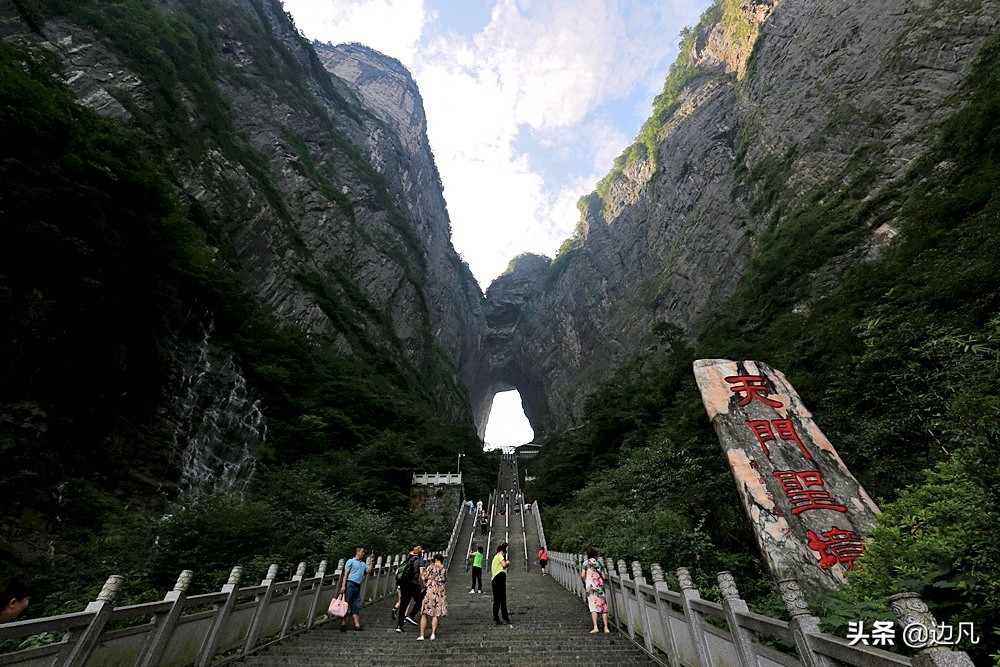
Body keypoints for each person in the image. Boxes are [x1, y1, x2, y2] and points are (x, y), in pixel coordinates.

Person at [339, 547, 373, 631]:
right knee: (346, 604)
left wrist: (372, 562)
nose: (363, 553)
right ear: (357, 552)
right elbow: (346, 574)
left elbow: (368, 571)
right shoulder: (351, 561)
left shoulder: (363, 563)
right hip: (350, 583)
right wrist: (343, 586)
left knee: (356, 604)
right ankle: (343, 624)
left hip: (357, 585)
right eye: (362, 552)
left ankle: (357, 625)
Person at [417, 554, 447, 640]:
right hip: (440, 592)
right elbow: (444, 580)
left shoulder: (431, 566)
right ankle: (433, 634)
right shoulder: (444, 568)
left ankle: (422, 635)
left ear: (435, 559)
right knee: (436, 614)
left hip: (431, 591)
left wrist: (426, 582)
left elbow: (423, 576)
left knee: (424, 613)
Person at [395, 546, 425, 633]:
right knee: (419, 600)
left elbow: (398, 571)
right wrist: (425, 585)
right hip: (413, 584)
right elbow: (422, 575)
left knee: (404, 604)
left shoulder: (407, 560)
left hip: (404, 584)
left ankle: (399, 625)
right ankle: (411, 615)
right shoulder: (420, 561)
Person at [580, 547, 610, 634]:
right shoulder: (598, 563)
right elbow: (604, 577)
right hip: (600, 587)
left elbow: (582, 575)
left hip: (590, 588)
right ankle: (606, 627)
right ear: (596, 555)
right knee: (603, 607)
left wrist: (585, 582)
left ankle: (595, 627)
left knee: (593, 607)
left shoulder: (585, 563)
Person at [491, 542, 511, 626]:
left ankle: (496, 618)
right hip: (499, 578)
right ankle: (505, 617)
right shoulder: (499, 556)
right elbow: (503, 565)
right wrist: (507, 563)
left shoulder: (495, 557)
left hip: (494, 579)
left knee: (496, 600)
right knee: (502, 599)